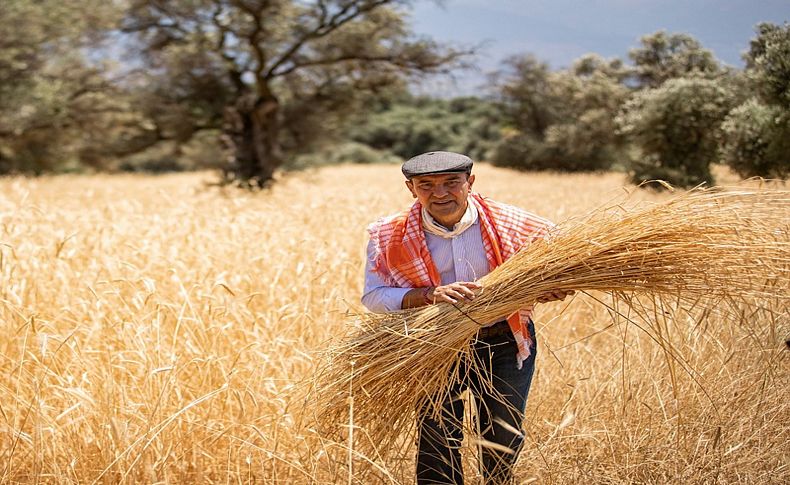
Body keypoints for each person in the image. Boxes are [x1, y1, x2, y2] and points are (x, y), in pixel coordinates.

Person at [361, 151, 572, 484]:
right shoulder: (389, 234)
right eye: (426, 185)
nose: (440, 193)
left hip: (504, 340)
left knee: (504, 435)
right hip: (434, 344)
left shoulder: (514, 223)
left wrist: (552, 287)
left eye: (451, 183)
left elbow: (556, 271)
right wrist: (429, 294)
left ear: (470, 182)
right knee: (438, 436)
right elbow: (373, 297)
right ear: (410, 188)